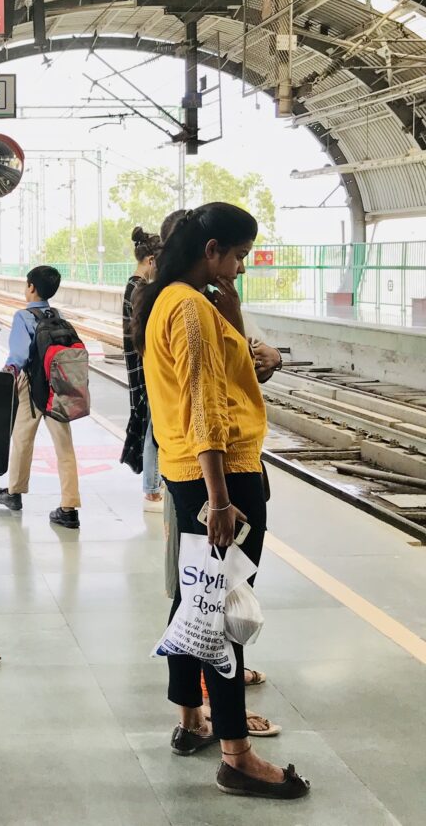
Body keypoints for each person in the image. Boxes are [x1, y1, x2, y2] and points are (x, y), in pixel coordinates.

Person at [133, 203, 309, 799]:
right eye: (235, 256)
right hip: (220, 478)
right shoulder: (189, 309)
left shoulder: (170, 300)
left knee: (195, 598)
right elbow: (206, 406)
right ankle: (237, 755)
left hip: (191, 473)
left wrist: (231, 309)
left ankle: (190, 721)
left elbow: (222, 386)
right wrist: (222, 499)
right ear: (210, 249)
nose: (238, 267)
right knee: (225, 611)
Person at [0, 265, 81, 529]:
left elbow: (18, 356)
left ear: (31, 287)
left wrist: (5, 376)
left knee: (22, 438)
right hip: (58, 387)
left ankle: (15, 493)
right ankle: (69, 507)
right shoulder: (58, 315)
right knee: (64, 447)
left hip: (31, 387)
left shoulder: (23, 316)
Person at [120, 226, 164, 513]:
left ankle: (152, 486)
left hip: (139, 364)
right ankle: (151, 490)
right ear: (150, 260)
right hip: (145, 365)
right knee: (153, 426)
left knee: (151, 423)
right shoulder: (140, 289)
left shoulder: (131, 285)